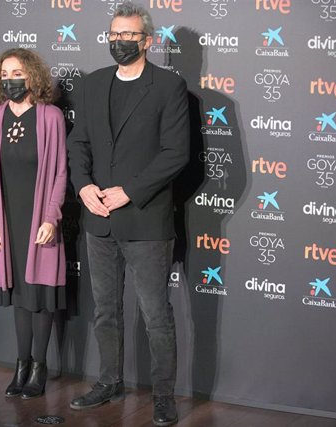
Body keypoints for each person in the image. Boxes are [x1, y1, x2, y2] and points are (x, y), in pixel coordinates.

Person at [67, 2, 189, 426]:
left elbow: (176, 153)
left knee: (156, 315)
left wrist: (130, 192)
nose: (119, 42)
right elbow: (78, 142)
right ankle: (109, 381)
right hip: (97, 219)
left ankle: (163, 396)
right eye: (113, 35)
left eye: (128, 36)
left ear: (147, 41)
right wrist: (82, 186)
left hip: (146, 220)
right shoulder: (92, 84)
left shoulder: (169, 86)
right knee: (105, 309)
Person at [0, 48, 67, 399]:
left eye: (17, 72)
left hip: (39, 219)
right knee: (18, 294)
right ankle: (21, 363)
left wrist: (51, 217)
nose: (10, 79)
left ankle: (39, 367)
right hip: (7, 219)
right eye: (5, 73)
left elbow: (61, 171)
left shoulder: (50, 117)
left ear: (32, 76)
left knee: (40, 294)